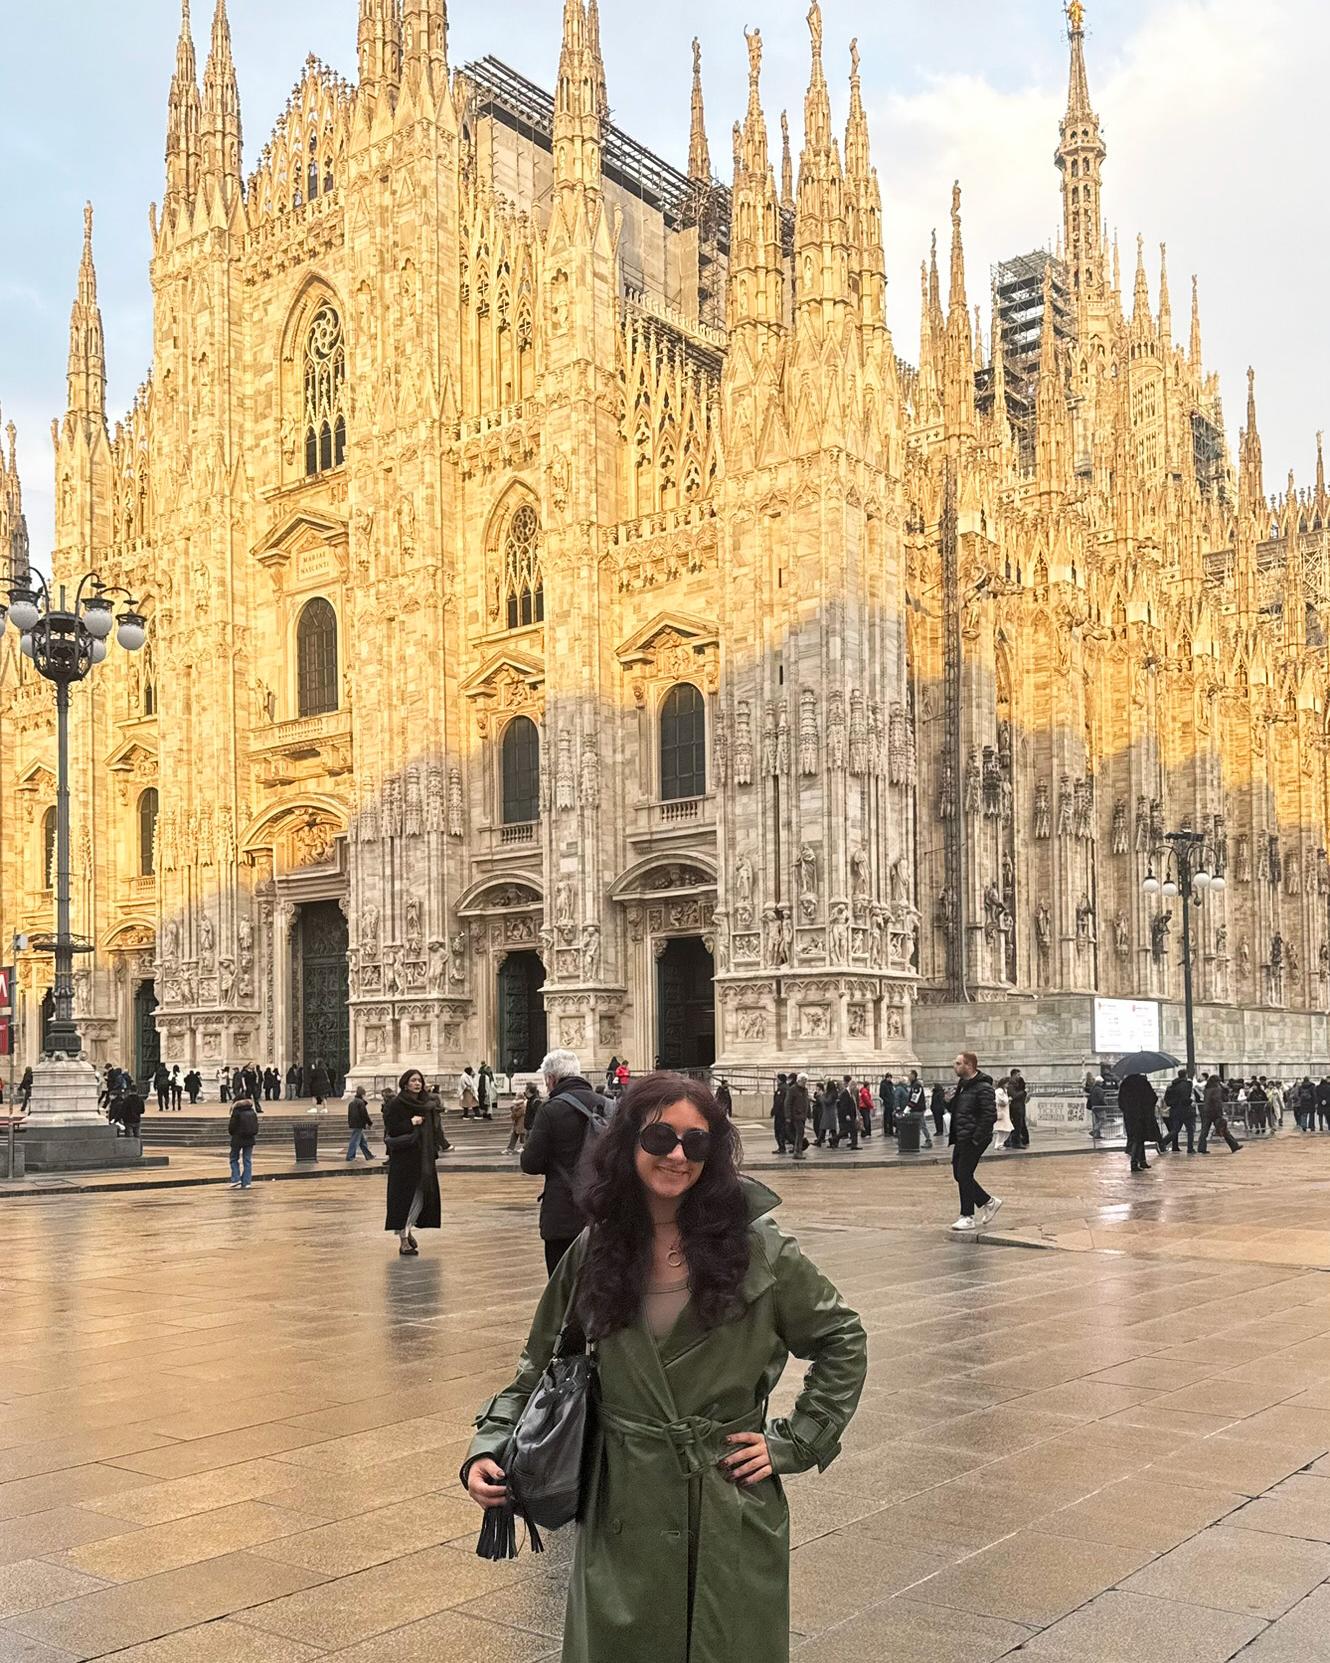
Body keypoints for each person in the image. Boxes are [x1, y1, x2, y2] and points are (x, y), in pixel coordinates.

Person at [462, 1072, 868, 1663]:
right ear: (628, 1142)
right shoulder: (594, 1249)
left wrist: (797, 1440)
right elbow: (542, 1361)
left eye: (697, 1143)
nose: (677, 1156)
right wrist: (489, 1445)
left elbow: (842, 1337)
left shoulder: (760, 1248)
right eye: (660, 1139)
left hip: (726, 1504)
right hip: (622, 1499)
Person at [521, 1048, 610, 1276]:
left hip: (563, 1212)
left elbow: (530, 1163)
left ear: (551, 1079)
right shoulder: (609, 1106)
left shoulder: (551, 1109)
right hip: (603, 1209)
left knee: (562, 1286)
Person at [383, 1068, 444, 1255]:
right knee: (403, 1200)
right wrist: (411, 1123)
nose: (417, 1084)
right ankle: (403, 1238)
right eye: (413, 1081)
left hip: (424, 1158)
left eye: (419, 1080)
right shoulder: (396, 1104)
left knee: (421, 1196)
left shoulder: (427, 1103)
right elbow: (392, 1129)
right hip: (404, 1159)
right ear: (405, 1083)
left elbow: (436, 1129)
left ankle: (408, 1228)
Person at [949, 1051, 1000, 1232]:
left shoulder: (984, 1087)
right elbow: (960, 1109)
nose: (954, 1066)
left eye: (957, 1063)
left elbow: (989, 1115)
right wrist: (948, 1101)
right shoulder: (963, 1085)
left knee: (964, 1174)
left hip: (973, 1138)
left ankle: (967, 1216)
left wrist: (976, 1138)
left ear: (968, 1065)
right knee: (958, 1173)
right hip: (961, 1136)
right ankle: (988, 1202)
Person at [1119, 1071, 1161, 1172]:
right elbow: (1153, 1098)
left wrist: (1127, 1110)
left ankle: (1142, 1160)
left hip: (1130, 1115)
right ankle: (1134, 1162)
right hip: (1143, 1114)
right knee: (1139, 1138)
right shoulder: (1143, 1082)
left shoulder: (1125, 1083)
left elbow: (1120, 1102)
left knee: (1136, 1138)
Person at [1198, 1072, 1242, 1155]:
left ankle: (1201, 1147)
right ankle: (1234, 1145)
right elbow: (1218, 1101)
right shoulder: (1217, 1089)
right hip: (1215, 1112)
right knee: (1224, 1129)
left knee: (1204, 1131)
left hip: (1206, 1111)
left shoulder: (1207, 1089)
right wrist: (1220, 1113)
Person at [228, 1094, 259, 1190]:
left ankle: (236, 1178)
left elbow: (231, 1127)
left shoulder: (236, 1112)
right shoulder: (252, 1111)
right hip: (250, 1139)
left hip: (237, 1138)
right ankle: (247, 1182)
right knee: (247, 1160)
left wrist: (233, 1132)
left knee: (233, 1158)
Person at [1163, 1068, 1196, 1154]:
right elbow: (1186, 1098)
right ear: (1185, 1075)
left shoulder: (1171, 1085)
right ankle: (1190, 1148)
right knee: (1190, 1130)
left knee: (1175, 1130)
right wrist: (1190, 1101)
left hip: (1174, 1110)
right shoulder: (1187, 1084)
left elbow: (1166, 1098)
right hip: (1186, 1110)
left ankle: (1164, 1143)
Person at [784, 1072, 810, 1160]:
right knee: (799, 1134)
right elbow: (788, 1103)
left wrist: (809, 1114)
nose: (804, 1083)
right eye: (803, 1081)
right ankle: (797, 1152)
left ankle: (798, 1151)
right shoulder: (793, 1090)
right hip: (796, 1116)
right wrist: (788, 1116)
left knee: (800, 1134)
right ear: (799, 1080)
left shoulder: (805, 1090)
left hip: (802, 1116)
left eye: (805, 1081)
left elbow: (807, 1102)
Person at [346, 1086, 374, 1161]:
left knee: (362, 1141)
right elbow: (364, 1114)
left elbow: (350, 1114)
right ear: (362, 1095)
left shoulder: (352, 1102)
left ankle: (369, 1155)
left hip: (354, 1123)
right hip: (358, 1123)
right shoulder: (361, 1103)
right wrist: (369, 1123)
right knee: (355, 1140)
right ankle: (350, 1156)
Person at [1005, 1068, 1030, 1148]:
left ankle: (1018, 1141)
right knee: (1017, 1125)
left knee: (1020, 1125)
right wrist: (1023, 1092)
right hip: (1015, 1108)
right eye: (1018, 1075)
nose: (1019, 1076)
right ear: (1014, 1075)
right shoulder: (1011, 1084)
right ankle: (1016, 1142)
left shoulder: (1017, 1083)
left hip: (1020, 1106)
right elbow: (1014, 1095)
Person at [834, 1076, 860, 1151]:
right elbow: (843, 1106)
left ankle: (835, 1139)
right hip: (848, 1115)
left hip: (851, 1114)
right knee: (852, 1129)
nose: (855, 1088)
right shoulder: (845, 1093)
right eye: (854, 1087)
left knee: (849, 1130)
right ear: (851, 1085)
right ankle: (854, 1144)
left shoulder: (850, 1093)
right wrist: (847, 1115)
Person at [771, 1073, 789, 1155]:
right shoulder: (787, 1087)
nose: (776, 1080)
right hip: (785, 1113)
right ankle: (782, 1147)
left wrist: (773, 1111)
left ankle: (781, 1147)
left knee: (779, 1130)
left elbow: (778, 1102)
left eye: (777, 1079)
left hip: (780, 1113)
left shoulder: (781, 1089)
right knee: (783, 1130)